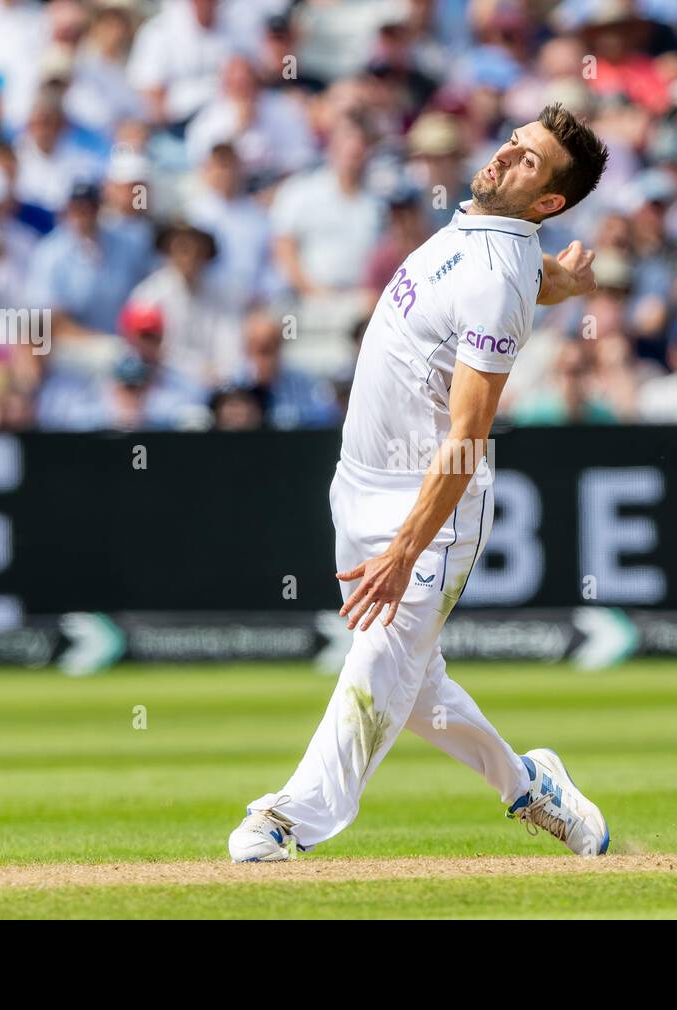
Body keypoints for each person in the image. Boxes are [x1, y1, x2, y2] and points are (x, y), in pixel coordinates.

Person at [228, 103, 611, 863]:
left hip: (432, 504)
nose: (506, 156)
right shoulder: (489, 230)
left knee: (377, 665)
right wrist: (561, 282)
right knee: (414, 684)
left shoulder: (502, 269)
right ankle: (533, 786)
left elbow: (467, 440)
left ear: (548, 204)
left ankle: (286, 821)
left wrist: (406, 551)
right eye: (514, 143)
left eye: (529, 161)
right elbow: (514, 276)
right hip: (359, 484)